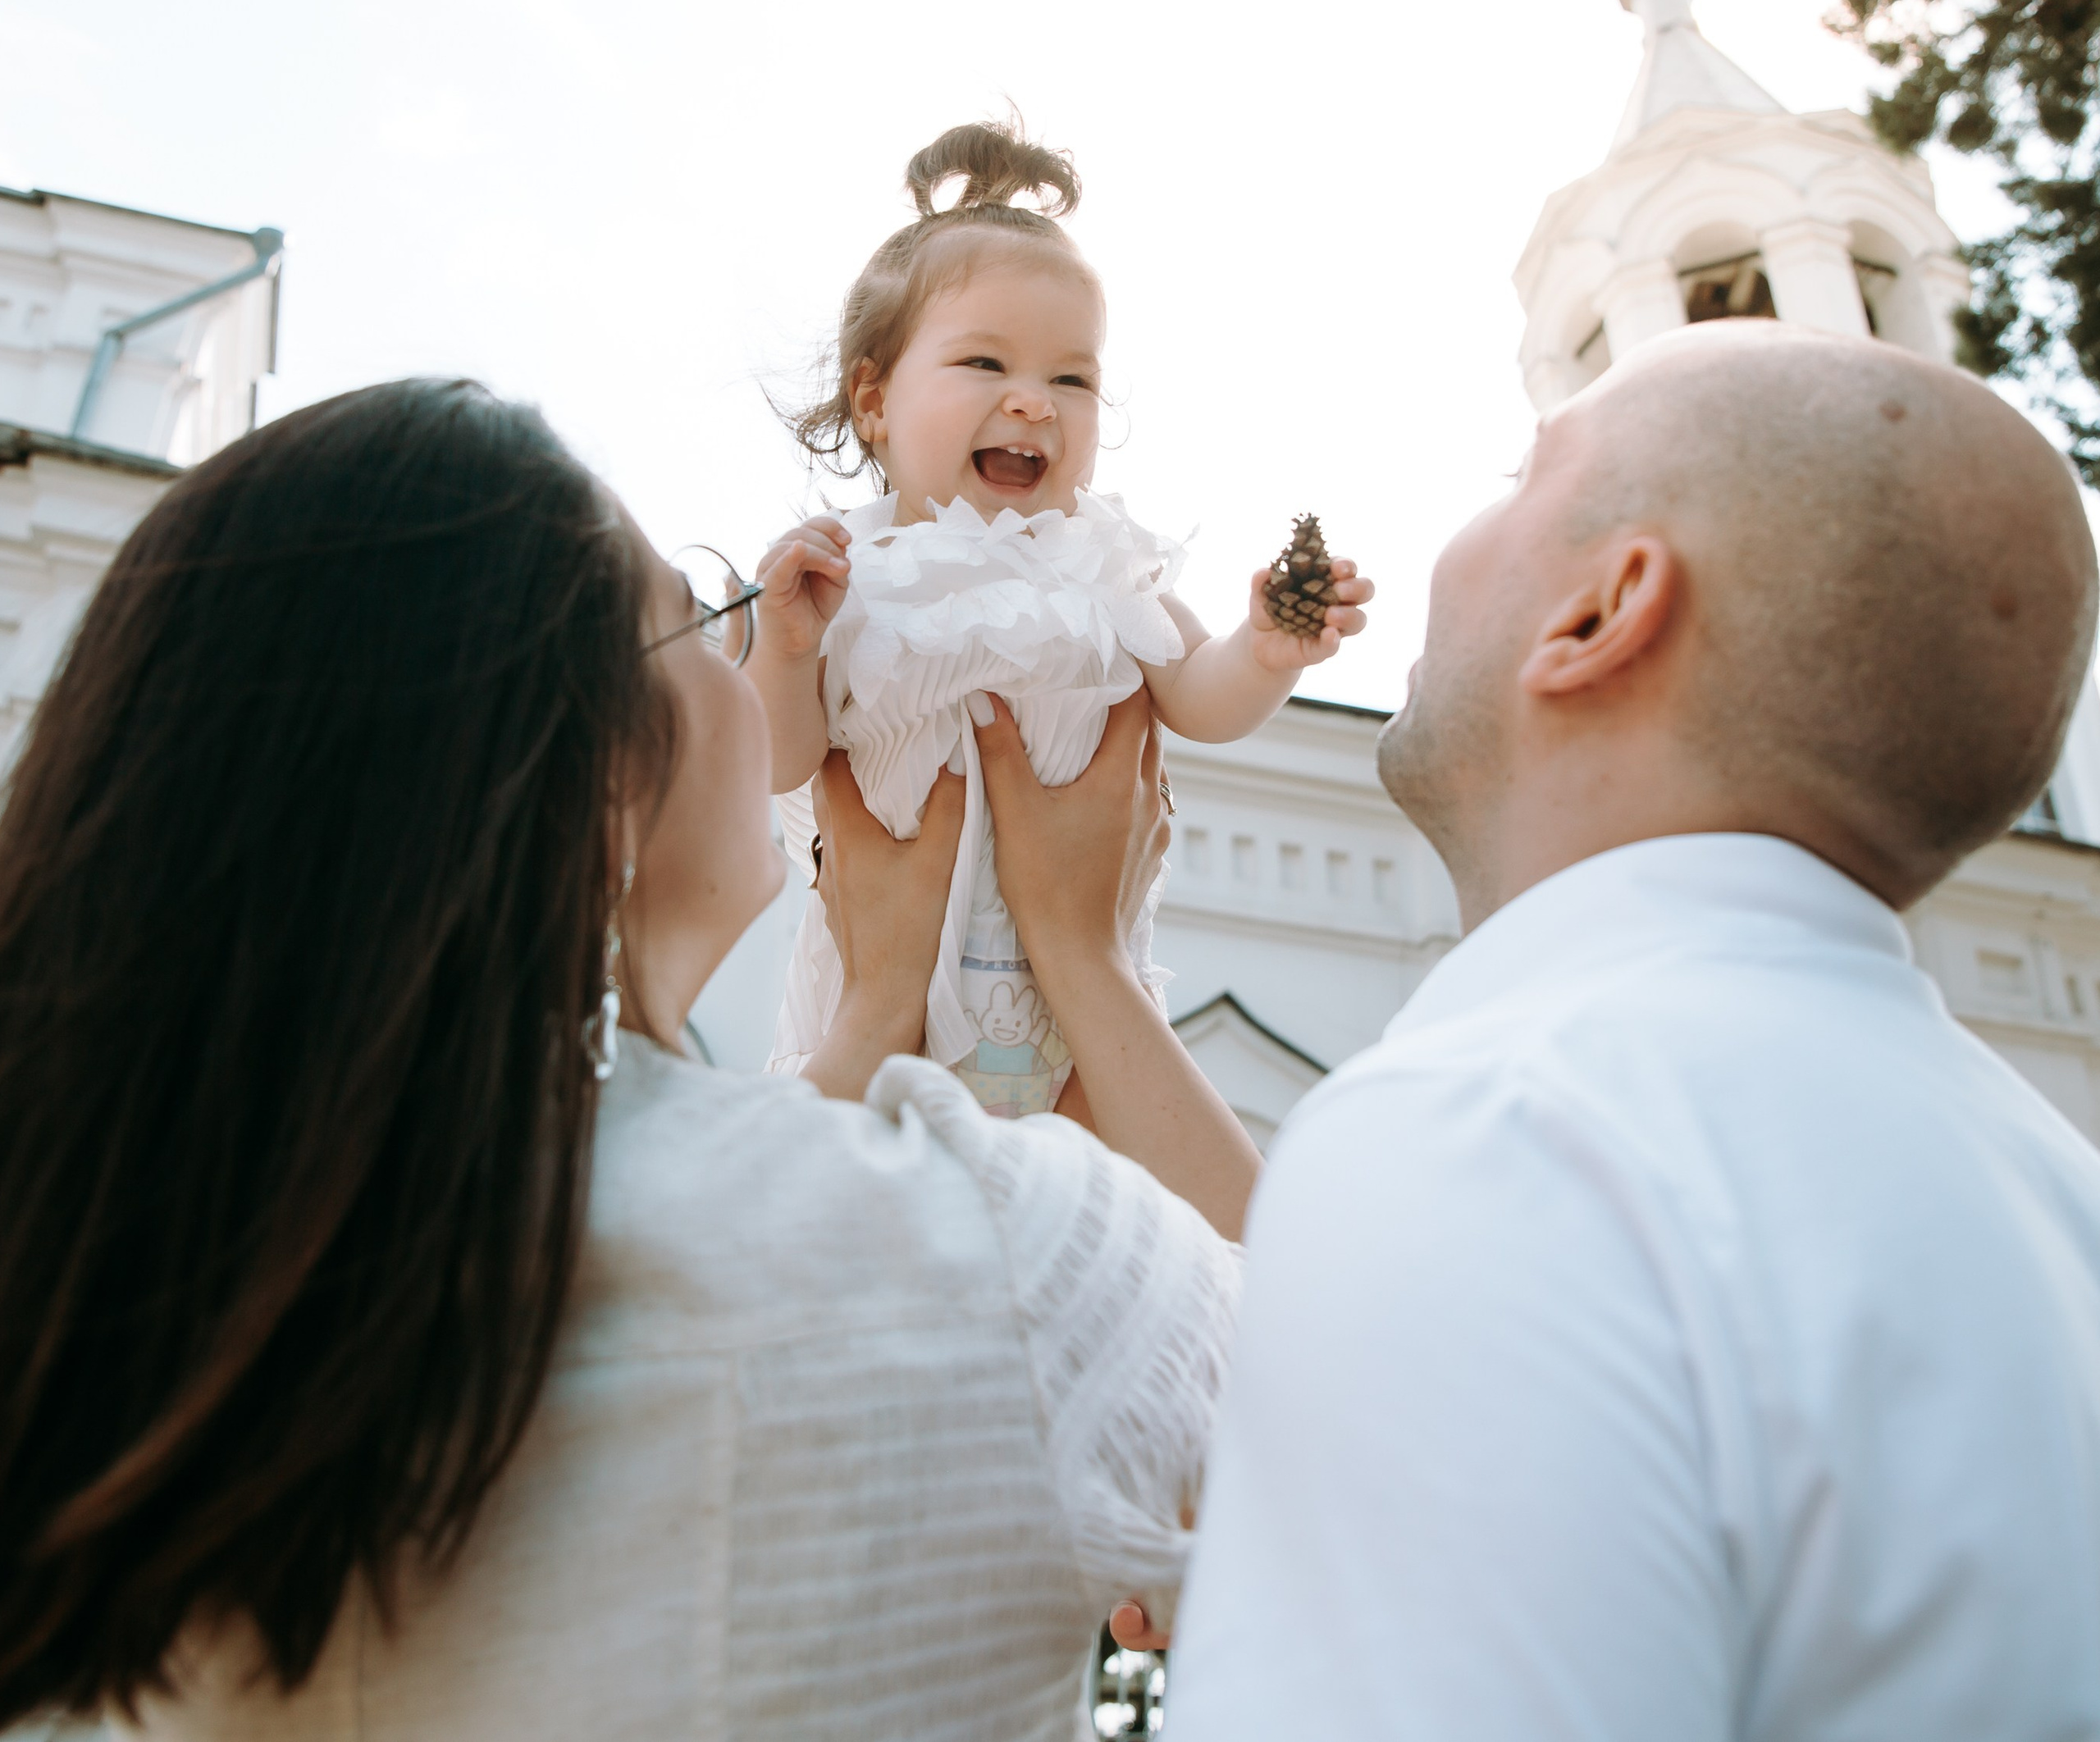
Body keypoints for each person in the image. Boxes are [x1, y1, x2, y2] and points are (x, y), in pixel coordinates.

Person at [0, 379, 1255, 1741]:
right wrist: (1083, 959)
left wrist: (877, 1006)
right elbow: (1341, 1362)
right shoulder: (1000, 1252)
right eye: (700, 619)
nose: (747, 672)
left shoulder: (127, 1340)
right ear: (596, 764)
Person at [1169, 325, 2100, 1738]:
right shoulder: (2058, 1189)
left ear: (1602, 612)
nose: (1451, 543)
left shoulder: (1508, 1132)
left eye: (1522, 477)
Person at [753, 116, 1373, 1115]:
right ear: (873, 398)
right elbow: (779, 761)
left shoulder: (1101, 567)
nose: (1035, 402)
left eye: (1071, 378)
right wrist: (786, 652)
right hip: (876, 1021)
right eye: (986, 366)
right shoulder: (843, 578)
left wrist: (1265, 650)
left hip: (1074, 1038)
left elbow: (1199, 697)